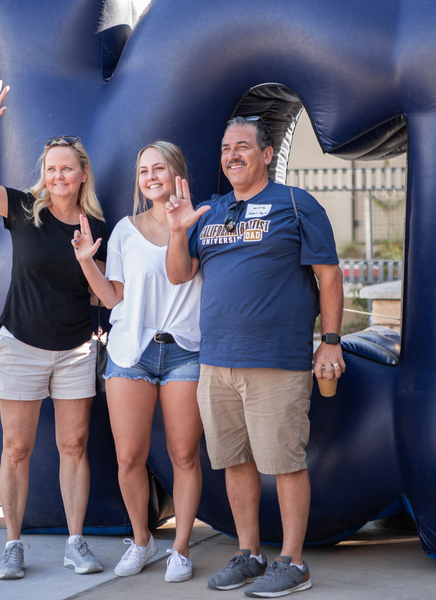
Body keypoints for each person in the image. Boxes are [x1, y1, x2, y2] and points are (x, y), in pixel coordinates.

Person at [165, 117, 345, 597]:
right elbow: (179, 274)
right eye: (226, 148)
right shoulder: (211, 211)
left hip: (276, 361)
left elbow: (329, 275)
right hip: (217, 361)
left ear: (267, 154)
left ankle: (294, 562)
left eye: (242, 146)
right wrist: (178, 231)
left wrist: (330, 340)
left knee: (284, 463)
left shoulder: (296, 204)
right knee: (235, 461)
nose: (232, 155)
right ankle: (250, 554)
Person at [0, 80, 108, 580]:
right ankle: (12, 544)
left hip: (76, 351)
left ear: (82, 174)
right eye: (51, 168)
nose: (58, 175)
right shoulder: (23, 209)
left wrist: (89, 264)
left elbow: (100, 295)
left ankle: (75, 543)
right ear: (43, 174)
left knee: (74, 447)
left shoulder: (94, 228)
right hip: (20, 345)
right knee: (17, 449)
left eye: (67, 168)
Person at [71, 141, 204, 583]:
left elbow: (183, 274)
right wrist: (87, 263)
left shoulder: (199, 222)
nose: (150, 177)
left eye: (158, 168)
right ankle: (143, 541)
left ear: (176, 172)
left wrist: (180, 228)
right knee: (128, 458)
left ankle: (180, 549)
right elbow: (113, 298)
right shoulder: (125, 231)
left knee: (184, 455)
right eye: (143, 171)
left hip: (184, 348)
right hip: (131, 352)